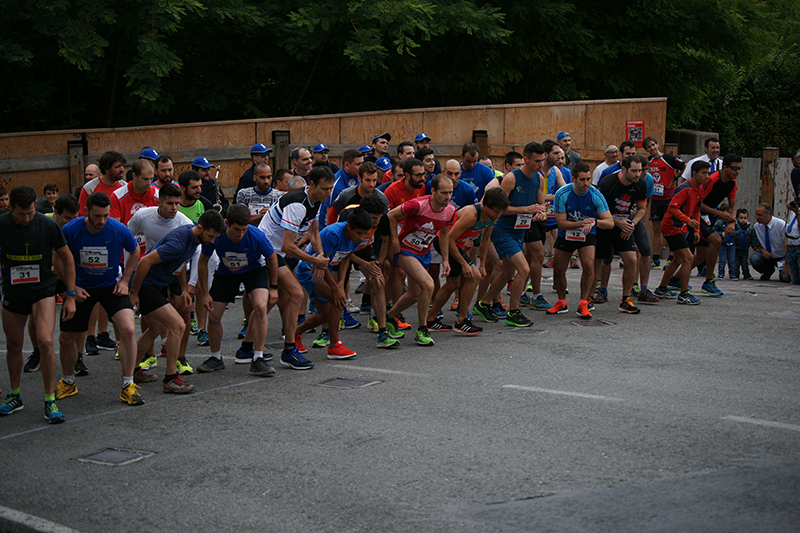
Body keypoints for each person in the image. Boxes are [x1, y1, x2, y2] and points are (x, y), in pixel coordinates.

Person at [56, 192, 142, 406]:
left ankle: (128, 385)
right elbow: (56, 257)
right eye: (96, 216)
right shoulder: (71, 230)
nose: (101, 221)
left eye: (105, 216)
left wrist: (125, 281)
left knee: (129, 330)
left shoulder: (117, 228)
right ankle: (68, 382)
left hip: (110, 287)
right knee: (66, 337)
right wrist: (72, 287)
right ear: (86, 212)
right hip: (81, 288)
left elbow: (135, 251)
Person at [0, 185, 77, 424]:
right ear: (10, 207)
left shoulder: (47, 224)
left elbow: (67, 257)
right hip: (13, 291)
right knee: (14, 345)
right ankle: (15, 395)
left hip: (42, 290)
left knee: (45, 341)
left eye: (30, 213)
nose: (26, 218)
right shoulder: (2, 224)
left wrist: (71, 295)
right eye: (21, 214)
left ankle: (49, 399)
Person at [128, 210, 225, 393]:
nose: (212, 242)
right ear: (200, 227)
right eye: (211, 236)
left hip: (157, 285)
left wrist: (183, 289)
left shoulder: (192, 238)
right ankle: (171, 378)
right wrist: (134, 293)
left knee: (155, 328)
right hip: (147, 285)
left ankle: (132, 370)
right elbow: (145, 261)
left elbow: (180, 264)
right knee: (178, 325)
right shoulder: (179, 242)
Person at [257, 166, 335, 370]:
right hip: (265, 252)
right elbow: (287, 245)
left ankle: (252, 347)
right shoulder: (297, 204)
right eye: (325, 189)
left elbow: (315, 233)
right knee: (294, 295)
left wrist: (320, 255)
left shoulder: (315, 201)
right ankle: (287, 349)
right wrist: (314, 261)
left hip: (276, 253)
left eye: (330, 189)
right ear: (312, 185)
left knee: (283, 298)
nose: (328, 193)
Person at [195, 204, 279, 376]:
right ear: (227, 224)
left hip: (253, 271)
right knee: (214, 316)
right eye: (236, 230)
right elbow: (202, 262)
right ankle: (216, 358)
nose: (240, 234)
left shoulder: (256, 236)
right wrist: (204, 293)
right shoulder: (217, 236)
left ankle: (258, 358)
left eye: (244, 229)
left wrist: (274, 287)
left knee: (261, 307)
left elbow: (272, 257)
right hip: (226, 272)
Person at [473, 142, 547, 327]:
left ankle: (483, 304)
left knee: (508, 271)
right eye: (537, 161)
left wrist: (541, 212)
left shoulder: (539, 178)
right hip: (502, 230)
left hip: (520, 230)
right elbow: (498, 209)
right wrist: (526, 209)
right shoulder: (511, 179)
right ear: (526, 159)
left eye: (542, 160)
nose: (540, 164)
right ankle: (513, 312)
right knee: (524, 269)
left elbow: (541, 203)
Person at [127, 183, 195, 375]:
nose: (174, 208)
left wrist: (184, 288)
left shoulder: (184, 223)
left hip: (172, 271)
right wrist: (128, 279)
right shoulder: (143, 216)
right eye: (170, 204)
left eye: (177, 204)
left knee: (181, 312)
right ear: (159, 202)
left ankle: (180, 357)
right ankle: (153, 365)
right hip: (149, 271)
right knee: (159, 324)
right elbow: (127, 239)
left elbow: (181, 260)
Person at [426, 187, 509, 334]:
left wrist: (482, 264)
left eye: (500, 211)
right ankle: (462, 320)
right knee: (473, 275)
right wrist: (464, 264)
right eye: (496, 211)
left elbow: (486, 239)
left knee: (453, 283)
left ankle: (431, 319)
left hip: (457, 244)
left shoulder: (493, 216)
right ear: (486, 206)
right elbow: (449, 238)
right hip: (445, 241)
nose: (498, 214)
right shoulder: (472, 215)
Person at [294, 208, 373, 358]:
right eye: (359, 233)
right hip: (309, 269)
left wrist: (341, 283)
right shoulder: (333, 233)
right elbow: (322, 264)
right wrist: (335, 289)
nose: (361, 237)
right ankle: (334, 346)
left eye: (364, 234)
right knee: (338, 301)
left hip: (323, 271)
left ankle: (294, 336)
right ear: (349, 226)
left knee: (324, 315)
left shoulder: (355, 237)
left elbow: (346, 257)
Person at [386, 174, 455, 345]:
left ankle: (389, 318)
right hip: (404, 250)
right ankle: (422, 329)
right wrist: (394, 241)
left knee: (414, 294)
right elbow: (391, 216)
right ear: (433, 191)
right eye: (444, 193)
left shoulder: (450, 210)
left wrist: (446, 259)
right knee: (429, 284)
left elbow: (445, 233)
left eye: (450, 193)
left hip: (423, 252)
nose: (447, 197)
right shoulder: (417, 205)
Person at [24, 194, 82, 375]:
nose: (71, 222)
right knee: (34, 316)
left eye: (75, 218)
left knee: (77, 309)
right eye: (67, 218)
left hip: (64, 274)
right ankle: (37, 351)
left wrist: (72, 288)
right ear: (56, 213)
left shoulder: (76, 227)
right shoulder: (42, 223)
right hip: (43, 275)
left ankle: (78, 356)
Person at [546, 164, 613, 318]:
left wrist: (594, 222)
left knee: (589, 266)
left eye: (588, 179)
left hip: (587, 233)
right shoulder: (562, 194)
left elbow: (609, 223)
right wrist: (582, 223)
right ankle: (561, 301)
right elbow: (561, 223)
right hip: (567, 233)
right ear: (574, 179)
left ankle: (583, 302)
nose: (586, 183)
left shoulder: (595, 194)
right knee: (558, 268)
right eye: (582, 180)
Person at [595, 156, 648, 314]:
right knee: (600, 261)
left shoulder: (640, 184)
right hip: (606, 224)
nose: (638, 174)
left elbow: (642, 209)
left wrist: (632, 224)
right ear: (624, 170)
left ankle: (626, 299)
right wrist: (617, 222)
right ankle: (592, 296)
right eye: (634, 171)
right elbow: (598, 210)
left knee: (632, 259)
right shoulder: (607, 183)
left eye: (640, 170)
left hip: (625, 226)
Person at [655, 160, 710, 304]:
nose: (706, 176)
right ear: (694, 173)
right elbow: (673, 208)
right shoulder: (684, 188)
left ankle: (662, 288)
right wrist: (687, 220)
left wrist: (696, 229)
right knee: (688, 258)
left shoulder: (700, 189)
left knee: (679, 259)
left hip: (681, 227)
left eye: (708, 173)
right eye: (703, 173)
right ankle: (684, 293)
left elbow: (697, 209)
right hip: (671, 226)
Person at [643, 136, 685, 268]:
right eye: (649, 147)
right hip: (655, 198)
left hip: (669, 197)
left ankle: (671, 257)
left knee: (670, 228)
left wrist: (676, 177)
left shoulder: (668, 159)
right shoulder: (648, 161)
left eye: (653, 145)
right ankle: (656, 258)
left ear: (657, 144)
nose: (652, 148)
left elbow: (685, 166)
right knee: (656, 229)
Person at [111, 159, 159, 225]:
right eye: (145, 179)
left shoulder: (158, 196)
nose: (149, 183)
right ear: (134, 176)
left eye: (151, 179)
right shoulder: (117, 196)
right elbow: (115, 227)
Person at [750, 202, 788, 281]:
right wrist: (762, 250)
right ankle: (768, 271)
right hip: (767, 256)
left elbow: (788, 244)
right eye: (756, 214)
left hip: (782, 256)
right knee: (755, 259)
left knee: (785, 278)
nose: (757, 217)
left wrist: (786, 265)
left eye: (760, 215)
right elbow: (755, 242)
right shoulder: (757, 226)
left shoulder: (780, 225)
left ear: (768, 214)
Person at [713, 200, 736, 279]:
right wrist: (721, 234)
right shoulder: (719, 222)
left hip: (731, 244)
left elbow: (739, 231)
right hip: (723, 243)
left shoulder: (733, 223)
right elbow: (713, 231)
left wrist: (734, 233)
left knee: (732, 260)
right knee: (722, 260)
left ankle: (733, 274)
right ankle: (721, 274)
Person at [733, 209, 754, 280]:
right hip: (736, 247)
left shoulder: (750, 228)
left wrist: (754, 246)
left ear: (747, 219)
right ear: (737, 218)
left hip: (745, 248)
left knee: (745, 262)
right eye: (741, 218)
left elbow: (753, 238)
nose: (743, 220)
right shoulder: (735, 227)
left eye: (745, 218)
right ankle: (735, 274)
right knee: (736, 263)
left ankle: (746, 274)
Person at [785, 201, 800, 284]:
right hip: (792, 247)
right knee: (795, 279)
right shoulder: (794, 212)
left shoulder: (797, 212)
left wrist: (797, 212)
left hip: (799, 246)